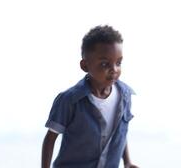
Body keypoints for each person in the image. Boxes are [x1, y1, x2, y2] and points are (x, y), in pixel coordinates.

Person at [42, 25, 139, 168]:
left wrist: (127, 161)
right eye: (105, 64)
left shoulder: (125, 96)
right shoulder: (69, 100)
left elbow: (120, 134)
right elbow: (50, 139)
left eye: (118, 62)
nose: (114, 70)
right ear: (85, 66)